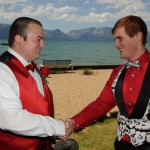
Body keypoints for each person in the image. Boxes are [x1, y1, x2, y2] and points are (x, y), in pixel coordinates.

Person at [65, 15, 150, 150]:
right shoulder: (117, 73)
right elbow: (101, 105)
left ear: (138, 36)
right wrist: (74, 122)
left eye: (120, 38)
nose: (116, 45)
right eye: (115, 39)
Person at [0, 17, 69, 150]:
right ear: (19, 39)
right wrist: (58, 127)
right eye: (38, 39)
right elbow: (10, 118)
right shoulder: (2, 70)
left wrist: (50, 138)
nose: (43, 45)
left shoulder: (33, 66)